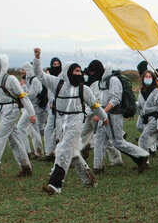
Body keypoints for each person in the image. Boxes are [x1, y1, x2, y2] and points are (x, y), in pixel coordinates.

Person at [32, 49, 106, 194]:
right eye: (76, 71)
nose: (79, 74)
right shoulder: (57, 84)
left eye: (80, 71)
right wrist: (37, 58)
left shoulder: (84, 89)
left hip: (76, 121)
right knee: (72, 152)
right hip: (60, 122)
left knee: (63, 149)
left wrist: (104, 117)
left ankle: (55, 184)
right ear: (68, 72)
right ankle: (89, 179)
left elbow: (94, 105)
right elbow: (39, 74)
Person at [88, 60, 150, 174]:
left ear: (97, 71)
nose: (91, 75)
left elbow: (115, 100)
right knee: (99, 140)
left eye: (92, 72)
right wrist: (99, 112)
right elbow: (100, 99)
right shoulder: (101, 82)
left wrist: (102, 113)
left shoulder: (113, 80)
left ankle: (143, 156)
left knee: (118, 142)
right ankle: (98, 167)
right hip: (104, 114)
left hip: (114, 115)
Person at [18, 62, 45, 159]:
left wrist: (24, 86)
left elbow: (32, 95)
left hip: (33, 108)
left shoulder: (35, 80)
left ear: (28, 70)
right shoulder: (28, 80)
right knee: (34, 130)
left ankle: (28, 151)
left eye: (23, 69)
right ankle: (38, 152)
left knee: (20, 128)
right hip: (27, 107)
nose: (21, 71)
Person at [137, 68, 158, 155]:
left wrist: (149, 110)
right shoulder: (141, 91)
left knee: (143, 138)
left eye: (149, 76)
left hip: (154, 118)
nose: (147, 78)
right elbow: (141, 105)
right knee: (140, 127)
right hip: (144, 117)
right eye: (146, 76)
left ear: (153, 78)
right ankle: (153, 143)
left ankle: (143, 159)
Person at [42, 57, 63, 161]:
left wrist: (55, 102)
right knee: (48, 130)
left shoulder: (62, 78)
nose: (56, 66)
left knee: (60, 131)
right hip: (52, 109)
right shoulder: (49, 78)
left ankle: (62, 153)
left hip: (61, 109)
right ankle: (49, 153)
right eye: (54, 64)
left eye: (57, 64)